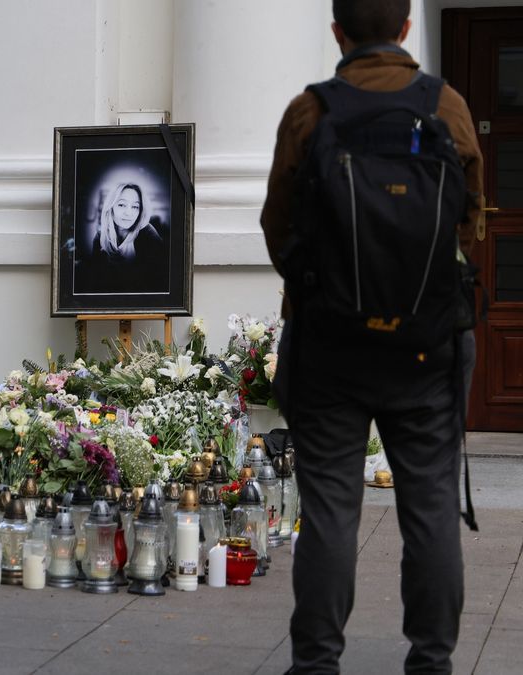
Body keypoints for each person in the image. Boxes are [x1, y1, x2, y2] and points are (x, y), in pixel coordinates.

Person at [260, 0, 483, 672]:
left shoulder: (311, 112)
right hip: (426, 345)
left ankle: (318, 660)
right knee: (432, 504)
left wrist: (319, 289)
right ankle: (432, 659)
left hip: (330, 345)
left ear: (338, 31)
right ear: (408, 28)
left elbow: (277, 223)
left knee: (330, 508)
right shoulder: (447, 108)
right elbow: (469, 222)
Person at [74, 181, 169, 294]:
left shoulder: (148, 234)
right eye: (121, 205)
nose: (129, 213)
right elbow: (94, 284)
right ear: (111, 207)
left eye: (135, 206)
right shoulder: (100, 237)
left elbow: (160, 284)